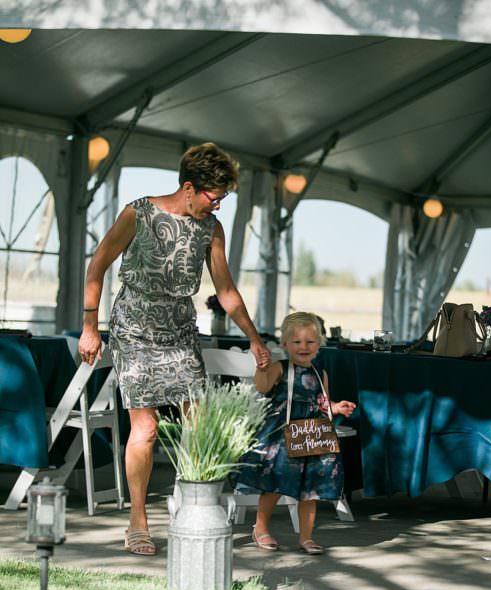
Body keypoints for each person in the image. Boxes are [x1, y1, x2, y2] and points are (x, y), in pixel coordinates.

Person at [78, 143, 271, 556]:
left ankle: (195, 510)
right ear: (189, 186)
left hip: (181, 331)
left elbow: (227, 291)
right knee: (145, 429)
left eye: (223, 198)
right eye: (214, 197)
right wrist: (89, 326)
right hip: (134, 329)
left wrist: (253, 338)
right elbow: (97, 265)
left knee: (198, 425)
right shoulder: (139, 213)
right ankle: (138, 523)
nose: (218, 205)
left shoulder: (210, 230)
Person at [233, 312, 356, 554]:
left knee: (310, 490)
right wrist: (262, 368)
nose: (303, 347)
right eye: (297, 342)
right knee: (274, 485)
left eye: (310, 342)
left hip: (312, 436)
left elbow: (322, 403)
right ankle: (260, 528)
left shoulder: (321, 375)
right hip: (283, 436)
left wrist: (336, 407)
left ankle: (306, 537)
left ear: (319, 343)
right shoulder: (281, 368)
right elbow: (263, 386)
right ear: (285, 344)